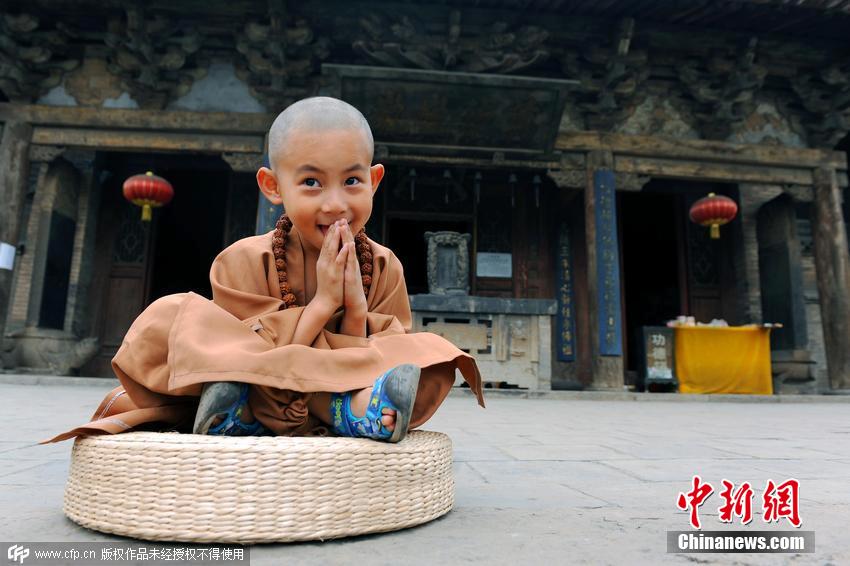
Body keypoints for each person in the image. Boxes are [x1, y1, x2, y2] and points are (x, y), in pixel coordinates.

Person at [42, 96, 485, 445]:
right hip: (256, 381)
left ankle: (267, 415)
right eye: (311, 182)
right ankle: (343, 414)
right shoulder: (242, 259)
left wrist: (353, 308)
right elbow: (255, 354)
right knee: (170, 318)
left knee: (429, 352)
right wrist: (324, 303)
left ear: (373, 181)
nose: (335, 203)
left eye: (351, 181)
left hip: (333, 386)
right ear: (273, 186)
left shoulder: (384, 266)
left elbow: (378, 353)